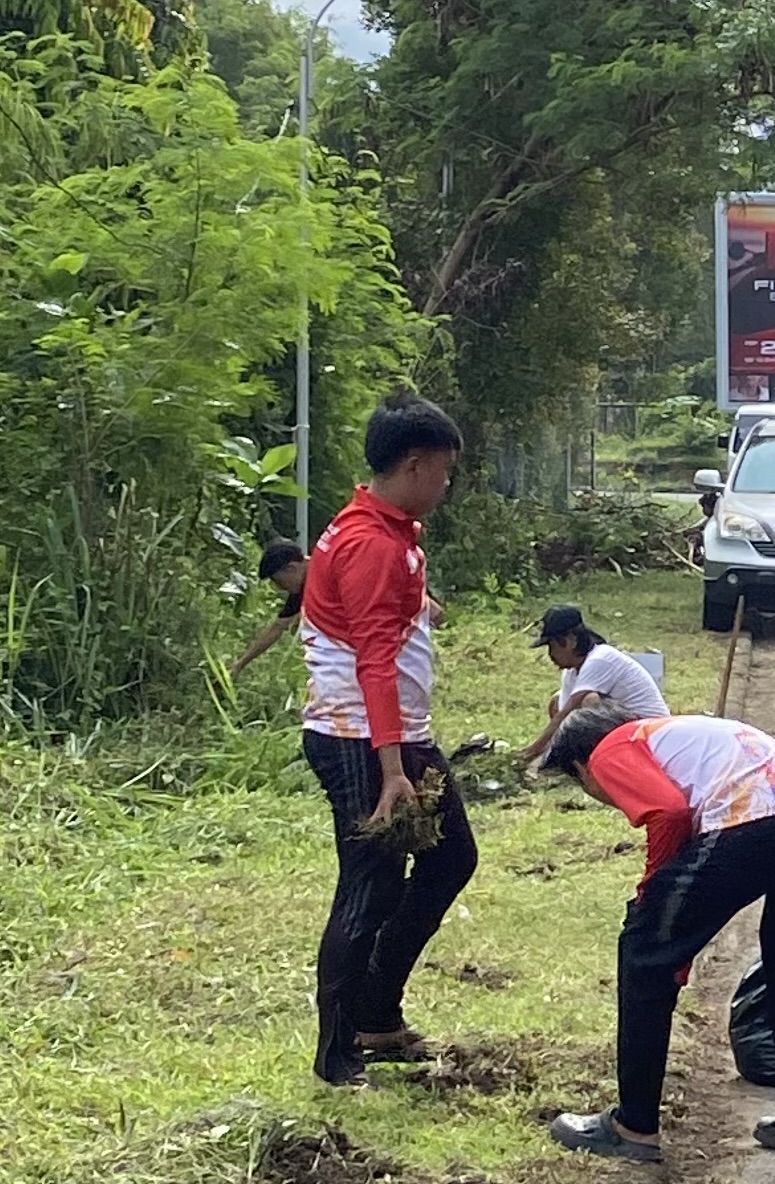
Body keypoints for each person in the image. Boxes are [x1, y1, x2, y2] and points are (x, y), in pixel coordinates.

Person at [543, 705, 775, 1164]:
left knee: (644, 955)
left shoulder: (612, 747)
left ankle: (634, 1126)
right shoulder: (685, 732)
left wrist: (653, 893)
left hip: (753, 821)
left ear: (582, 767)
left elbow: (668, 813)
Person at [298, 397, 476, 1087]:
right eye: (444, 470)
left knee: (450, 857)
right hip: (360, 739)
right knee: (366, 888)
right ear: (413, 463)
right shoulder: (370, 542)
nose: (447, 483)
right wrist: (392, 769)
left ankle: (376, 1010)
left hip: (397, 734)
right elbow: (372, 657)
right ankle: (337, 1050)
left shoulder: (385, 531)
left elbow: (379, 622)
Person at [520, 605, 669, 775]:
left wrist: (533, 752)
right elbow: (561, 714)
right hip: (627, 727)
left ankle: (601, 763)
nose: (550, 655)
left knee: (589, 702)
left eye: (553, 646)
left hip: (649, 734)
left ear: (570, 641)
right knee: (557, 700)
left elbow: (568, 714)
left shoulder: (600, 659)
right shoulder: (572, 671)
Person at [231, 534, 308, 676]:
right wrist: (240, 664)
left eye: (279, 582)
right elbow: (277, 627)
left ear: (291, 568)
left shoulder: (324, 575)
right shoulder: (302, 586)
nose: (279, 588)